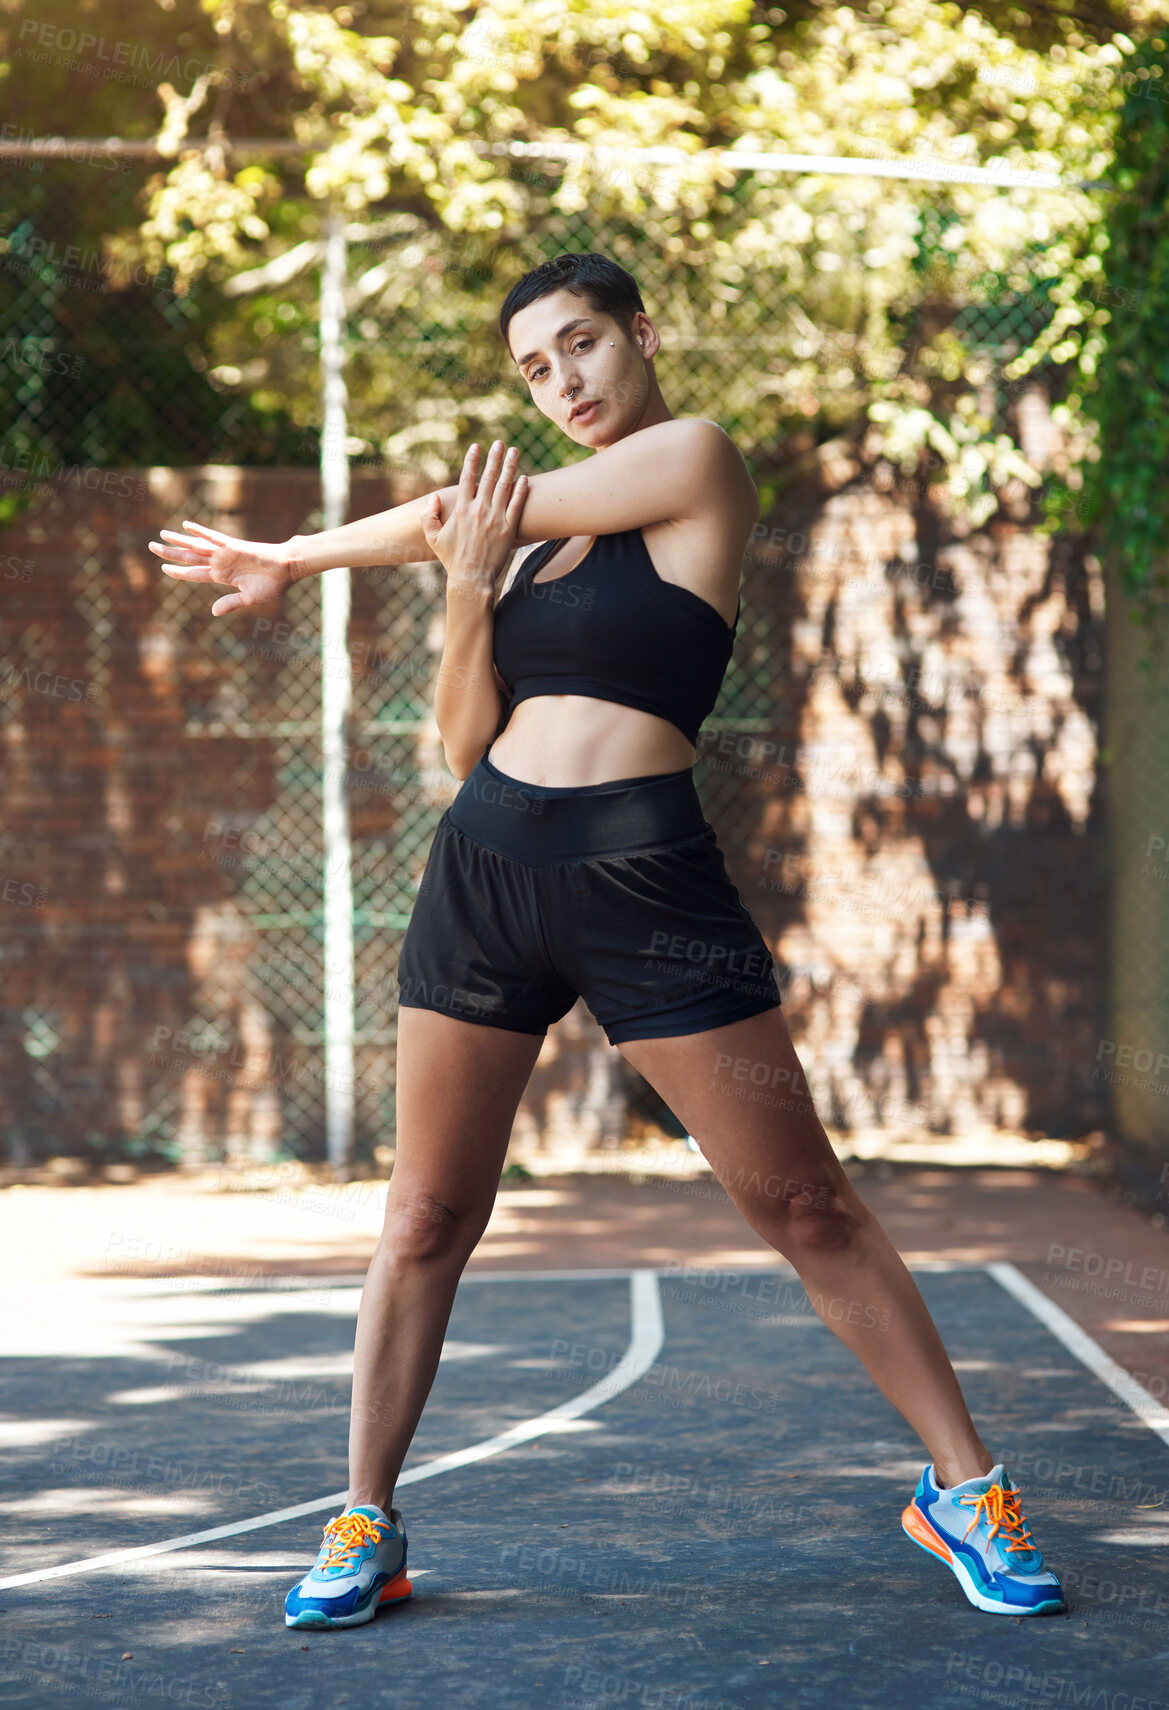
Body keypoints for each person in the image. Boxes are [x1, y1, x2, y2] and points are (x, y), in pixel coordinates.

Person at [149, 252, 1065, 1626]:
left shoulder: (694, 462)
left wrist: (292, 552)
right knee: (423, 1215)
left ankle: (962, 1491)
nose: (562, 381)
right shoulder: (521, 542)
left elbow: (470, 503)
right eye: (532, 368)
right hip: (488, 871)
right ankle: (364, 1519)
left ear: (640, 332)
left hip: (647, 882)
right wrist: (465, 589)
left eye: (579, 345)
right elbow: (466, 743)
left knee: (800, 1201)